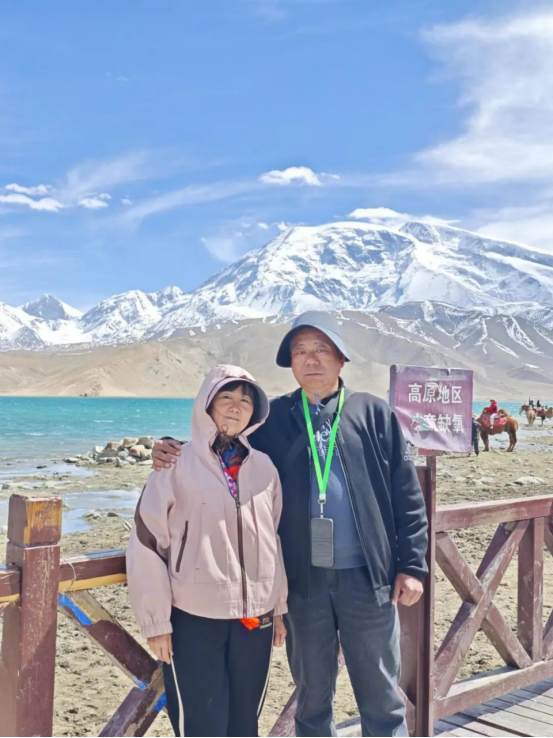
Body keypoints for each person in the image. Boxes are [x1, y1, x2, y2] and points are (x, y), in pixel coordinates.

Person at [154, 312, 428, 737]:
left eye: (321, 350)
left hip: (368, 580)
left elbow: (407, 496)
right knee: (312, 700)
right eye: (300, 352)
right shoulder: (274, 419)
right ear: (291, 363)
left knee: (382, 698)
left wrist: (411, 566)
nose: (310, 359)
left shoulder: (374, 413)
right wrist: (171, 450)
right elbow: (221, 443)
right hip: (303, 584)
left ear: (341, 359)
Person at [127, 365, 288, 738]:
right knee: (202, 726)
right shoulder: (174, 464)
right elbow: (147, 543)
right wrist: (156, 623)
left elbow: (273, 539)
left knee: (245, 724)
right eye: (226, 397)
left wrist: (278, 607)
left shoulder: (265, 468)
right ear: (206, 405)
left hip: (255, 620)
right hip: (194, 618)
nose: (235, 406)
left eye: (245, 401)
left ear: (255, 413)